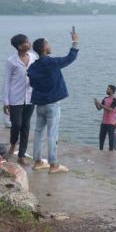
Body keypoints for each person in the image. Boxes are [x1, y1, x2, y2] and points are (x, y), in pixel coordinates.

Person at [28, 30, 79, 174]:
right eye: (48, 44)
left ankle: (38, 162)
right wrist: (75, 42)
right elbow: (69, 58)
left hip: (40, 104)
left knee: (38, 132)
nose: (50, 46)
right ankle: (54, 164)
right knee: (52, 134)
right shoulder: (51, 62)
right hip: (52, 104)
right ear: (44, 48)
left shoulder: (33, 67)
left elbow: (32, 84)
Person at [2, 34, 36, 165]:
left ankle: (21, 155)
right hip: (15, 99)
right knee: (16, 125)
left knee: (26, 126)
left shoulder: (33, 57)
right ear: (20, 46)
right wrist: (6, 102)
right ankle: (12, 144)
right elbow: (7, 82)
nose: (29, 43)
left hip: (30, 98)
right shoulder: (12, 61)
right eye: (27, 42)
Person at [94, 85, 116, 151]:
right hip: (104, 122)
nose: (106, 90)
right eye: (107, 89)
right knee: (101, 138)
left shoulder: (115, 100)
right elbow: (99, 108)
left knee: (111, 140)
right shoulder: (105, 99)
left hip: (111, 123)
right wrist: (96, 103)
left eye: (108, 89)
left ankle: (110, 154)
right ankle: (100, 151)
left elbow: (110, 109)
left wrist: (101, 104)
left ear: (112, 91)